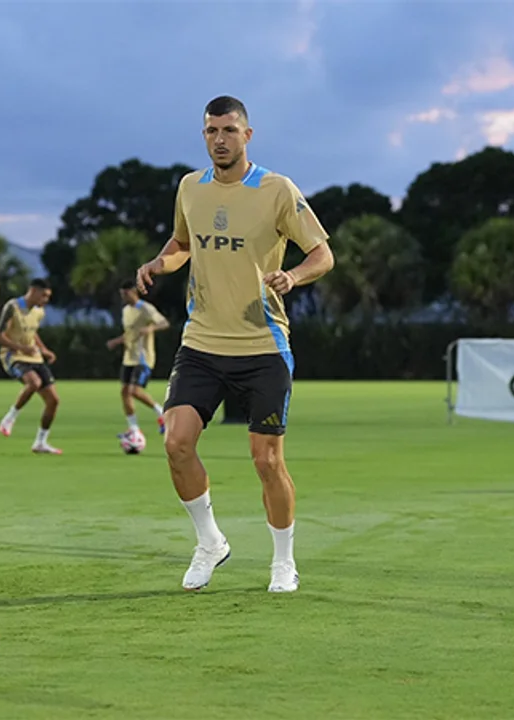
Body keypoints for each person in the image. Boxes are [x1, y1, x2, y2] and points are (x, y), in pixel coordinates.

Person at [135, 95, 336, 593]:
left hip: (263, 345)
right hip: (201, 342)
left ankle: (283, 562)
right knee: (176, 442)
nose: (219, 139)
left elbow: (322, 253)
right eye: (210, 131)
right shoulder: (189, 188)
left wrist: (292, 276)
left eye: (228, 130)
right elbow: (183, 243)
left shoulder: (276, 190)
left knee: (267, 461)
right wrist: (160, 263)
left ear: (247, 135)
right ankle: (210, 543)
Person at [0, 278, 63, 454]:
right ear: (33, 290)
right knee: (34, 383)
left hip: (34, 357)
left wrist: (44, 350)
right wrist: (22, 348)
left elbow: (33, 334)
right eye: (44, 295)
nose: (46, 300)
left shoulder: (39, 311)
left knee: (53, 401)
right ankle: (10, 418)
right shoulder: (13, 307)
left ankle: (40, 442)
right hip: (13, 356)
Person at [107, 279, 170, 442]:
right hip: (129, 358)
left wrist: (151, 328)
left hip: (143, 358)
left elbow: (164, 323)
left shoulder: (146, 308)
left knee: (135, 391)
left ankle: (162, 413)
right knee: (124, 392)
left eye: (125, 294)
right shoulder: (126, 310)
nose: (123, 298)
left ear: (133, 292)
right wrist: (117, 341)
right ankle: (134, 429)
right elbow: (130, 333)